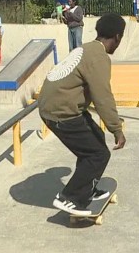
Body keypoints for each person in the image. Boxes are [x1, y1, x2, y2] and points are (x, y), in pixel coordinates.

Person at [38, 13, 126, 216]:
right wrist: (117, 129)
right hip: (61, 113)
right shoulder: (99, 57)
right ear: (117, 37)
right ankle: (70, 197)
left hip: (56, 106)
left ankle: (87, 189)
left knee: (95, 138)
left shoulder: (85, 48)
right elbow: (102, 97)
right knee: (98, 154)